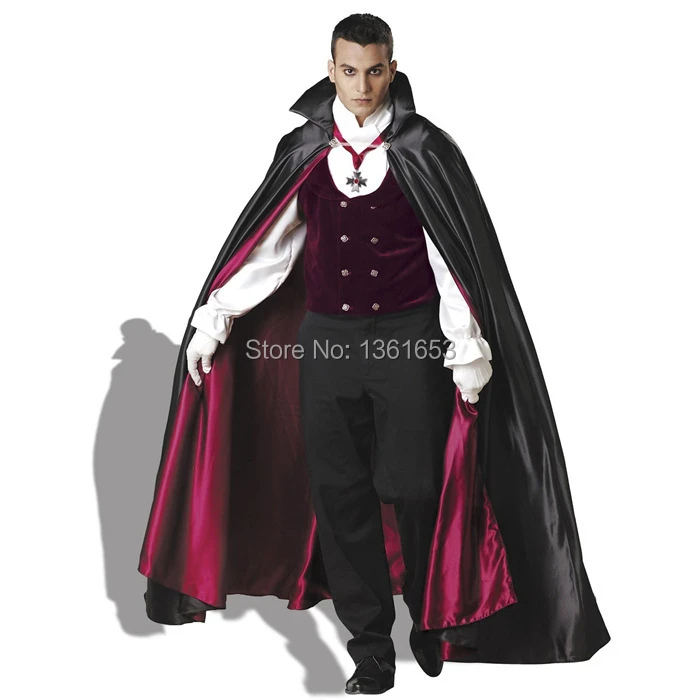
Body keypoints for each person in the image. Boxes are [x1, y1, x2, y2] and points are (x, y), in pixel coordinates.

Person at [138, 13, 610, 696]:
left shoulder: (424, 148)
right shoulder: (305, 148)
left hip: (409, 343)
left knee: (414, 485)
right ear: (330, 69)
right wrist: (216, 317)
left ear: (393, 68)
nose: (362, 85)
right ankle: (370, 648)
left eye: (375, 70)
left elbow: (450, 255)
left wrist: (466, 343)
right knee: (340, 494)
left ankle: (429, 614)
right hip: (326, 344)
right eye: (349, 70)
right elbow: (273, 246)